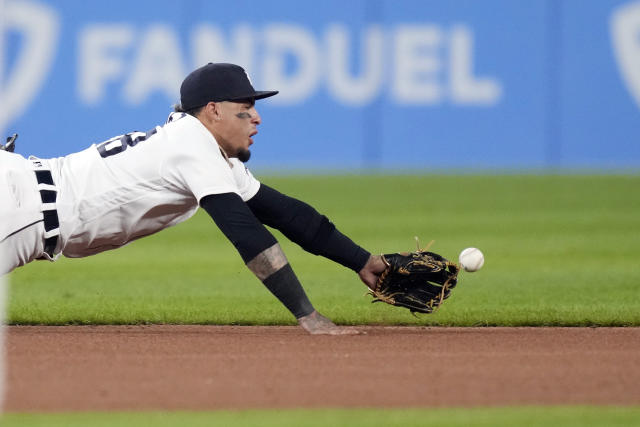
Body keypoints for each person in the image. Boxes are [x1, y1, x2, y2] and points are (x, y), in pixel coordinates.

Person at [0, 63, 386, 335]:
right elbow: (247, 234)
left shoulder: (203, 149)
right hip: (21, 211)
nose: (257, 119)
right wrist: (309, 316)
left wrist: (362, 262)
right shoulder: (193, 145)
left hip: (21, 190)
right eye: (245, 109)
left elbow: (285, 214)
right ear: (214, 111)